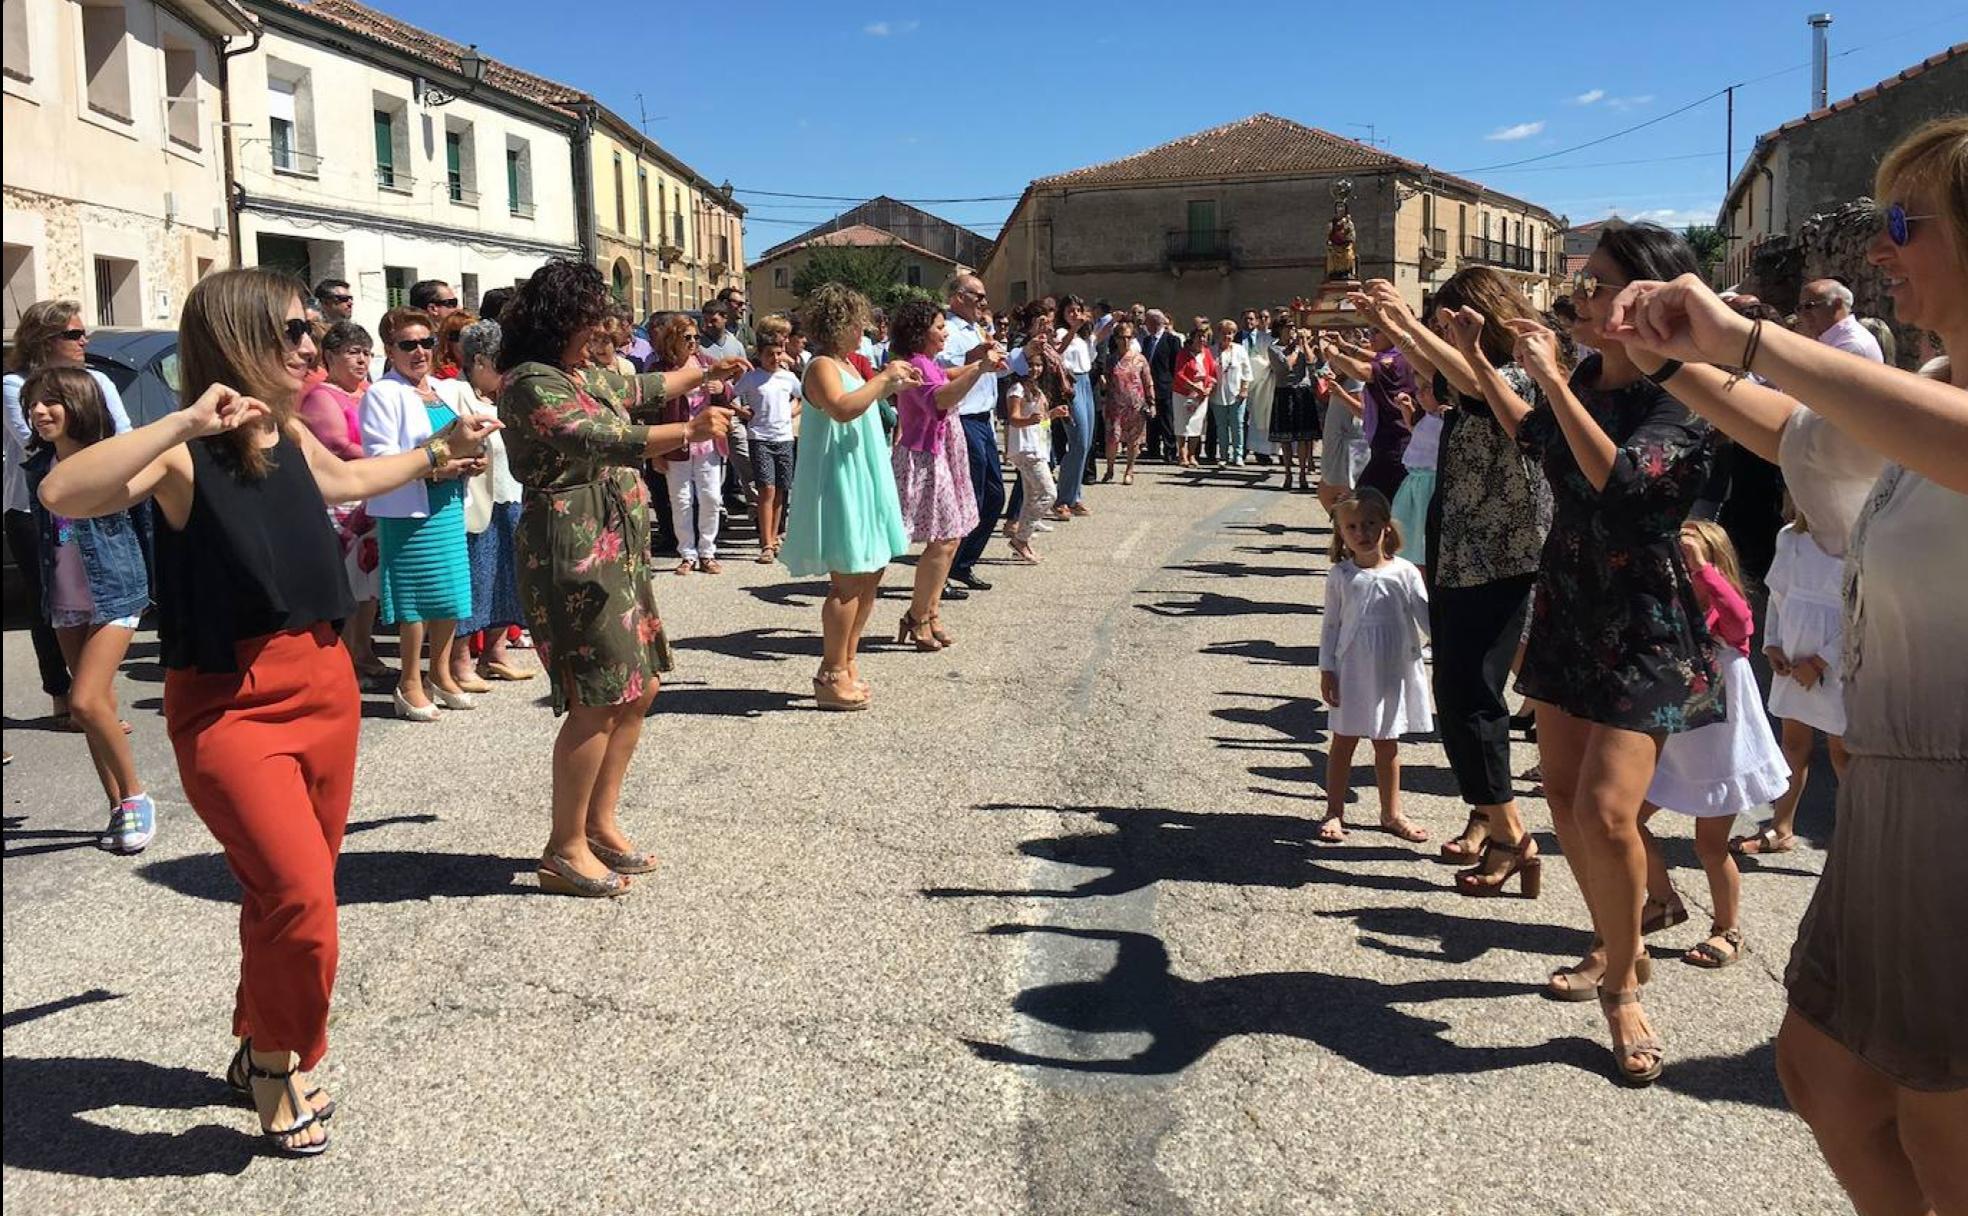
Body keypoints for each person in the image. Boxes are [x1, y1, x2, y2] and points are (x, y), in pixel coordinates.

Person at [36, 266, 497, 1156]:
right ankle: (283, 1060)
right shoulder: (181, 449)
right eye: (292, 332)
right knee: (300, 895)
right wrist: (179, 419)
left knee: (282, 899)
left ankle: (256, 1042)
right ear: (240, 339)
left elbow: (349, 478)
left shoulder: (288, 430)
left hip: (323, 686)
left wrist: (444, 449)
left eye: (310, 333)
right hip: (230, 706)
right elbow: (64, 493)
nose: (311, 345)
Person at [1601, 118, 1967, 1197]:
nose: (1879, 250)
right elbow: (1796, 436)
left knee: (1944, 1135)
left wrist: (1746, 339)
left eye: (1903, 222)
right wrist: (1672, 361)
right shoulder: (1933, 376)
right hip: (1899, 789)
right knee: (1828, 1077)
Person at [1504, 223, 1722, 1087]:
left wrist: (1554, 381)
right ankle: (1614, 941)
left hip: (1641, 614)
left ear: (1646, 295)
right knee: (1560, 796)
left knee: (1604, 810)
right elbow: (1537, 443)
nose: (1579, 300)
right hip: (1568, 600)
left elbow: (1626, 486)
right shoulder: (1587, 377)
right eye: (1581, 285)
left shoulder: (1690, 394)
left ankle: (1626, 989)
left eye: (1595, 285)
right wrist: (1499, 368)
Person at [496, 259, 739, 896]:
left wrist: (708, 372)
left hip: (617, 545)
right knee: (599, 695)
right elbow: (599, 437)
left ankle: (598, 824)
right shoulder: (529, 381)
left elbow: (649, 385)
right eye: (589, 319)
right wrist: (689, 428)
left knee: (640, 687)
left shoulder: (578, 372)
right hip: (573, 548)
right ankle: (563, 848)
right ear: (558, 323)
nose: (603, 329)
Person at [1359, 269, 1552, 894]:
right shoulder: (1472, 371)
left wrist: (1410, 325)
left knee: (1473, 698)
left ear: (1481, 317)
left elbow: (1475, 381)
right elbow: (1449, 378)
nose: (1443, 333)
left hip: (1500, 552)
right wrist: (1394, 327)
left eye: (1452, 322)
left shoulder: (1522, 366)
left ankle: (1510, 836)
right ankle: (1495, 825)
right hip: (1460, 546)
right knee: (1460, 694)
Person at [1637, 520, 1790, 969]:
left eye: (1693, 561)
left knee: (1710, 844)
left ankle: (1727, 929)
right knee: (1625, 819)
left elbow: (1743, 622)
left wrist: (1705, 572)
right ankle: (1663, 898)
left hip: (1719, 746)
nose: (1685, 570)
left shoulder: (1726, 613)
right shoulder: (1674, 608)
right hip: (1676, 739)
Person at [20, 367, 154, 852]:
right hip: (64, 597)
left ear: (80, 404)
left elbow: (147, 526)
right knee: (96, 708)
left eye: (50, 401)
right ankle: (117, 805)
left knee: (84, 701)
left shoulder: (113, 460)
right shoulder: (36, 468)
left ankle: (137, 798)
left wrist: (163, 596)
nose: (38, 410)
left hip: (115, 591)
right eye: (33, 402)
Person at [778, 284, 922, 709]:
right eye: (858, 323)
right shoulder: (821, 365)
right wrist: (883, 379)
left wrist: (893, 386)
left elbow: (861, 401)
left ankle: (847, 660)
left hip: (862, 472)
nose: (864, 330)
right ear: (839, 325)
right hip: (840, 479)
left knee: (870, 571)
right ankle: (830, 672)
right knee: (847, 578)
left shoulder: (847, 364)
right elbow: (842, 408)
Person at [4, 300, 135, 731]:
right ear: (45, 339)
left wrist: (95, 461)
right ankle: (64, 697)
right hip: (33, 512)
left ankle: (97, 700)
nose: (84, 341)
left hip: (95, 507)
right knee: (50, 602)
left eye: (83, 333)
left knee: (101, 600)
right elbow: (36, 447)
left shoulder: (97, 379)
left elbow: (126, 437)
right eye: (73, 335)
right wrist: (95, 453)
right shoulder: (14, 385)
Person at [362, 307, 482, 720]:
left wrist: (472, 459)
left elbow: (458, 440)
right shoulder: (383, 393)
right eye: (407, 345)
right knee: (415, 599)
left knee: (449, 593)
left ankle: (441, 673)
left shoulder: (445, 391)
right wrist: (437, 467)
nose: (419, 352)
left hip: (447, 504)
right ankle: (408, 680)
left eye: (426, 342)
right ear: (389, 351)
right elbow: (379, 457)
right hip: (408, 509)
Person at [1316, 489, 1432, 846]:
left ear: (1386, 526)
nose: (1361, 532)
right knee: (1344, 740)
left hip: (1391, 671)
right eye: (1352, 526)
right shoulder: (1341, 575)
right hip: (1352, 668)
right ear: (1341, 533)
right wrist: (1327, 669)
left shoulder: (1405, 572)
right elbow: (1331, 625)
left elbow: (1426, 617)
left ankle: (1391, 812)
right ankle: (1334, 810)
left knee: (1387, 742)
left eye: (1369, 524)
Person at [887, 299, 1004, 650]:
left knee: (949, 537)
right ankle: (918, 615)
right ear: (920, 333)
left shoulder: (928, 363)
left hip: (940, 454)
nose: (946, 332)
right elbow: (942, 396)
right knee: (944, 539)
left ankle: (929, 611)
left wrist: (972, 362)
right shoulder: (915, 367)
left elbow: (948, 376)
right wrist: (981, 367)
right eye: (939, 327)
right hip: (926, 458)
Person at [1733, 497, 1846, 856]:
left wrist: (1822, 661)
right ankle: (1781, 826)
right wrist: (1772, 644)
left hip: (1835, 660)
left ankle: (1852, 832)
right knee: (1793, 746)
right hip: (1793, 652)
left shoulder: (1855, 542)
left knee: (1843, 753)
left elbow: (1860, 611)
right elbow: (1779, 596)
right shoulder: (1790, 537)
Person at [297, 322, 390, 684]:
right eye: (353, 352)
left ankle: (364, 649)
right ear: (331, 356)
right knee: (349, 581)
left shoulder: (369, 391)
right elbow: (337, 444)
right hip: (343, 500)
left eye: (366, 352)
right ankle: (345, 657)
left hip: (373, 494)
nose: (362, 359)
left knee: (368, 583)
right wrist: (390, 460)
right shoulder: (322, 396)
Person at [453, 319, 530, 685]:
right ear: (480, 361)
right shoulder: (456, 394)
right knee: (477, 578)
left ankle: (495, 653)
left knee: (507, 574)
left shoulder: (503, 396)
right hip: (476, 500)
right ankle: (459, 660)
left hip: (511, 494)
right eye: (501, 361)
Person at [941, 273, 1006, 595]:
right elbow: (942, 371)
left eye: (983, 296)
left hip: (984, 417)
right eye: (977, 295)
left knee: (994, 496)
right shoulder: (949, 330)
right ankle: (944, 571)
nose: (983, 301)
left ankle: (962, 565)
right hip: (963, 417)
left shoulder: (977, 328)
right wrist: (977, 357)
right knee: (972, 497)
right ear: (957, 296)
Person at [649, 314, 730, 574]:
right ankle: (687, 554)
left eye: (696, 337)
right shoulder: (660, 370)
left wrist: (722, 389)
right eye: (687, 337)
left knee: (711, 497)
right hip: (676, 442)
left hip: (708, 442)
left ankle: (708, 552)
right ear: (673, 339)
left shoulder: (708, 364)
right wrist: (655, 452)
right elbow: (653, 413)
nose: (693, 342)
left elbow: (730, 394)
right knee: (680, 499)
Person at [1004, 328, 1069, 565]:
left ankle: (1022, 540)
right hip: (1026, 449)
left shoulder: (1037, 389)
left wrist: (1052, 414)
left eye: (1039, 365)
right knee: (1048, 493)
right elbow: (1013, 418)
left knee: (1032, 495)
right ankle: (1021, 537)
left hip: (1038, 446)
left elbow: (1039, 418)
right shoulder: (1017, 389)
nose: (1035, 369)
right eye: (1031, 365)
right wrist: (1028, 420)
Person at [735, 334, 801, 563]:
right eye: (769, 354)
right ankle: (765, 543)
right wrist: (742, 412)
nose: (774, 358)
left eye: (778, 353)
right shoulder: (752, 378)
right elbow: (731, 396)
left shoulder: (788, 377)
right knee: (767, 490)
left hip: (784, 438)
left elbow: (803, 396)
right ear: (760, 355)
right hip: (760, 438)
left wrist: (794, 410)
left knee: (781, 490)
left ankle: (774, 538)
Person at [699, 300, 755, 521]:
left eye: (713, 320)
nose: (709, 325)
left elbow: (744, 375)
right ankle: (718, 510)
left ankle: (756, 507)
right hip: (710, 412)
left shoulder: (736, 344)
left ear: (723, 318)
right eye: (706, 321)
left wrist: (743, 404)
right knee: (715, 465)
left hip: (734, 413)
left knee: (744, 460)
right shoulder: (700, 346)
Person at [1387, 381, 1442, 578]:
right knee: (1408, 537)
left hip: (1429, 485)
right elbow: (1417, 431)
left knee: (1422, 542)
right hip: (1413, 484)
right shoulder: (1427, 416)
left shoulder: (1445, 418)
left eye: (1428, 388)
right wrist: (1407, 409)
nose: (1421, 393)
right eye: (1419, 388)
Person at [1049, 296, 1097, 517]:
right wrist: (1072, 329)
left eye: (1078, 310)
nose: (1074, 314)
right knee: (1077, 441)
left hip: (1086, 381)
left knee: (1085, 443)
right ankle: (1063, 498)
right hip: (1071, 384)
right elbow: (1057, 352)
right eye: (1070, 311)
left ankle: (1075, 496)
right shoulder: (1060, 332)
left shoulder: (1083, 336)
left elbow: (1093, 353)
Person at [1266, 321, 1322, 491]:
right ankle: (1288, 473)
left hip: (1303, 391)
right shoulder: (1273, 349)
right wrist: (1296, 349)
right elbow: (1285, 366)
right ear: (1280, 330)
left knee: (1304, 437)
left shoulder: (1302, 346)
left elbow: (1312, 362)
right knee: (1286, 437)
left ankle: (1303, 474)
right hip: (1285, 392)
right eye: (1288, 328)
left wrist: (1304, 343)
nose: (1291, 331)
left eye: (1293, 328)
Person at [1101, 320, 1154, 485]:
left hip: (1136, 406)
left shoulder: (1140, 359)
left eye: (1128, 337)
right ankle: (1110, 468)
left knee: (1133, 440)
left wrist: (1152, 402)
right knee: (1112, 439)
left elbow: (1148, 381)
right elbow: (1104, 377)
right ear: (1116, 338)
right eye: (1122, 337)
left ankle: (1129, 470)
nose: (1125, 341)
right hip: (1115, 406)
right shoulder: (1111, 359)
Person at [1317, 340, 1368, 510]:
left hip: (1348, 443)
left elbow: (1361, 411)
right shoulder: (1343, 377)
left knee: (1338, 491)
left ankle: (1348, 526)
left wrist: (1340, 394)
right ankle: (1343, 525)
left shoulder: (1355, 379)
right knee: (1327, 490)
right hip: (1337, 439)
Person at [1794, 279, 1884, 362]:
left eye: (1809, 306)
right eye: (1800, 308)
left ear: (1837, 304)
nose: (1803, 314)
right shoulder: (1831, 339)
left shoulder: (1850, 345)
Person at [1171, 327, 1217, 468]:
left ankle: (1192, 455)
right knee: (1181, 424)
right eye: (1199, 336)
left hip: (1201, 396)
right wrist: (1193, 386)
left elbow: (1213, 375)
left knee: (1196, 426)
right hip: (1182, 394)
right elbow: (1179, 375)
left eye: (1204, 337)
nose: (1202, 339)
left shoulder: (1207, 353)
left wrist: (1208, 387)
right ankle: (1182, 454)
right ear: (1193, 338)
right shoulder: (1183, 354)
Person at [1138, 309, 1181, 462]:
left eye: (1147, 321)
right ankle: (1153, 449)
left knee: (1167, 419)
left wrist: (1171, 383)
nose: (1145, 325)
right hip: (1149, 385)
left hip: (1165, 385)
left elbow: (1175, 365)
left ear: (1155, 322)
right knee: (1151, 418)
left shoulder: (1172, 340)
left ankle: (1170, 451)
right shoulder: (1147, 340)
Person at [1210, 319, 1253, 467]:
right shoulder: (1212, 350)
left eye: (1230, 333)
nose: (1227, 336)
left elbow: (1247, 371)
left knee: (1237, 424)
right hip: (1217, 394)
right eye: (1224, 333)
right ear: (1218, 334)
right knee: (1221, 426)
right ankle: (1223, 455)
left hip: (1237, 393)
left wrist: (1244, 389)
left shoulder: (1240, 350)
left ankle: (1238, 455)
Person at [1244, 309, 1278, 463]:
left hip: (1268, 384)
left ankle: (1267, 451)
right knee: (1248, 420)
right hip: (1250, 383)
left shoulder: (1269, 338)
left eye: (1266, 317)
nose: (1249, 322)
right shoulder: (1241, 338)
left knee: (1265, 419)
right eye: (1246, 319)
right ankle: (1249, 451)